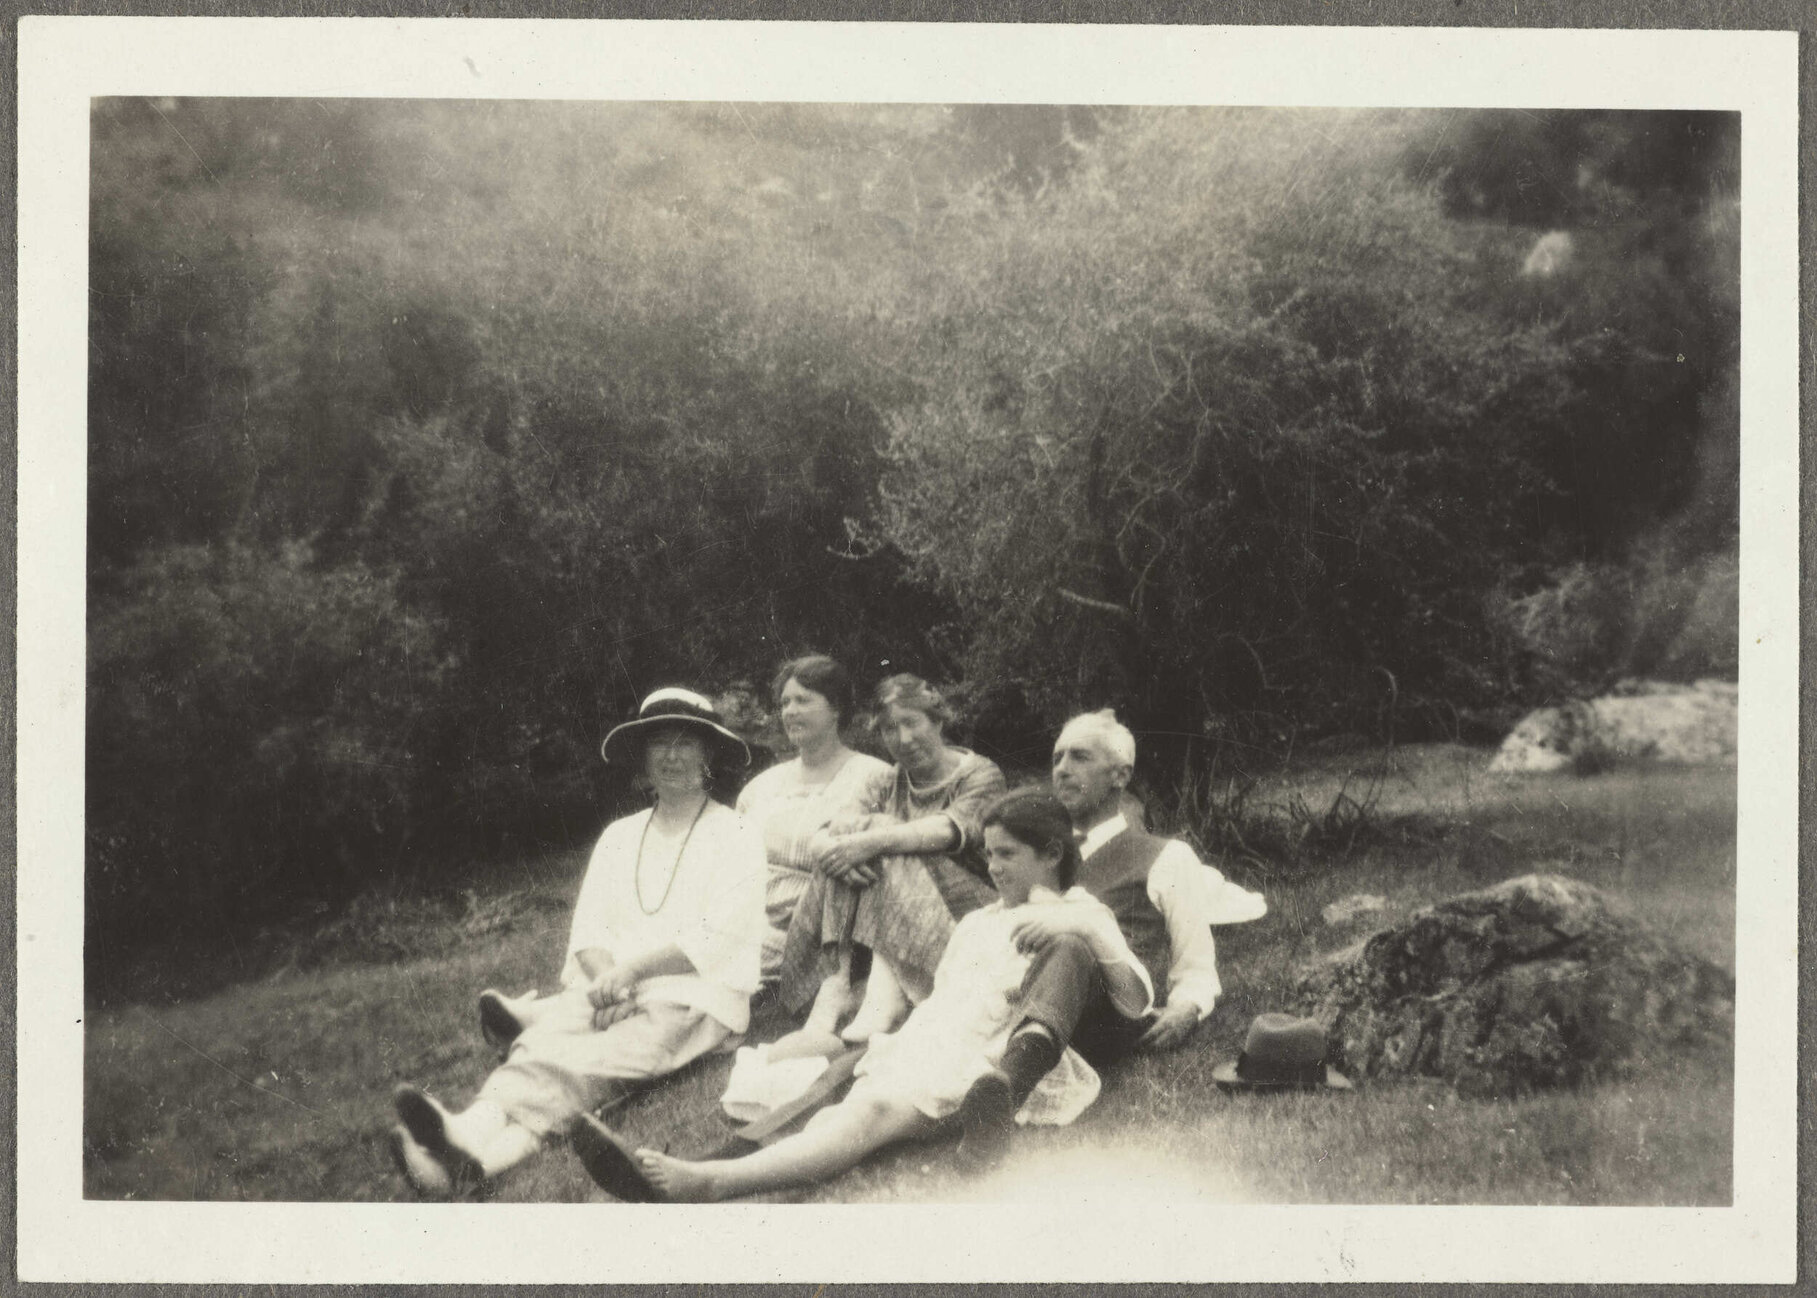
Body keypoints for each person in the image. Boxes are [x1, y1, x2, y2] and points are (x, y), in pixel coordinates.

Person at [571, 788, 1151, 1201]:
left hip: (999, 1060)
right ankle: (702, 1172)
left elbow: (1135, 996)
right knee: (834, 1098)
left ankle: (710, 1183)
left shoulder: (1082, 914)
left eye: (1008, 855)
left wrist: (1076, 926)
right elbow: (943, 1004)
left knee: (865, 1114)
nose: (994, 867)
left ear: (1051, 854)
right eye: (991, 854)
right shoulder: (978, 923)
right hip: (942, 1046)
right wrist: (883, 1045)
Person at [389, 687, 767, 1197]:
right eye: (659, 743)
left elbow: (721, 933)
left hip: (695, 1000)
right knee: (540, 1041)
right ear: (642, 757)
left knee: (588, 1064)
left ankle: (463, 1134)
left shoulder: (738, 833)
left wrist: (630, 976)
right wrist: (612, 985)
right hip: (610, 991)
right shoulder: (619, 836)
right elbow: (590, 932)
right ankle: (469, 1164)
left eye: (686, 743)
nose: (673, 756)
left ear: (709, 755)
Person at [952, 708, 1266, 1151]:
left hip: (1104, 1013)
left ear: (1120, 775)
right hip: (1012, 1002)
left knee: (1070, 943)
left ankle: (1009, 1086)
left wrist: (1188, 1008)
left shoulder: (1164, 857)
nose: (1061, 770)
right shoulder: (1035, 854)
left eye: (1079, 757)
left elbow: (1196, 964)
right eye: (1057, 758)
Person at [776, 673, 1008, 1044]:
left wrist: (870, 842)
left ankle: (875, 992)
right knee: (861, 835)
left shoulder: (980, 773)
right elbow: (832, 831)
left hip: (972, 917)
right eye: (888, 729)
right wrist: (838, 849)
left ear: (938, 719)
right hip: (909, 912)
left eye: (911, 723)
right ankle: (840, 979)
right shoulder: (886, 780)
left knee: (884, 835)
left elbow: (946, 831)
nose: (903, 739)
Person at [733, 656, 892, 982]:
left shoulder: (874, 777)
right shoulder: (760, 786)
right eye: (785, 702)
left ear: (836, 708)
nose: (790, 711)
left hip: (820, 931)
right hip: (747, 918)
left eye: (803, 700)